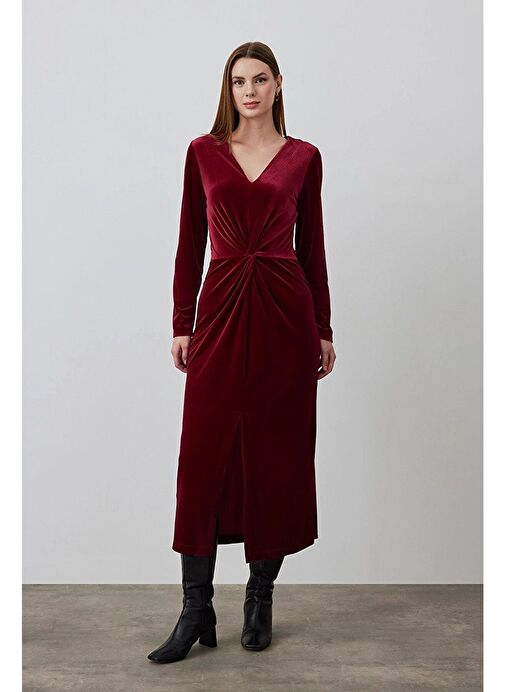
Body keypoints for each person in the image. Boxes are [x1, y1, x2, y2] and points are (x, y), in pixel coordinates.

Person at [147, 41, 336, 664]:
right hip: (221, 308)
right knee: (202, 458)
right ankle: (195, 608)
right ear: (227, 89)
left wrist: (323, 328)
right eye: (238, 81)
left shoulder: (304, 158)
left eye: (258, 80)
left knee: (275, 457)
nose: (248, 91)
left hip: (285, 316)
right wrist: (182, 321)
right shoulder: (203, 152)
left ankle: (260, 596)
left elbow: (312, 249)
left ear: (278, 84)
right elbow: (188, 242)